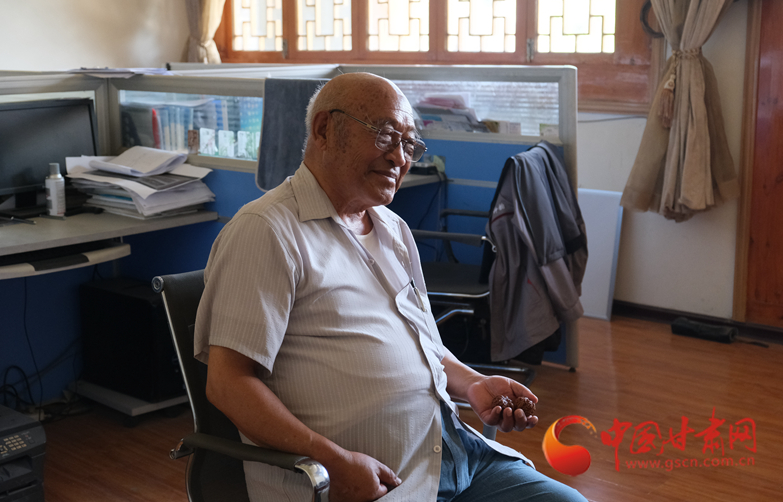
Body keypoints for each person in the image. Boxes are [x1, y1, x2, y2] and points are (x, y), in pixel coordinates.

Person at [194, 73, 586, 502]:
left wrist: (473, 383)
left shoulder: (392, 228)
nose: (400, 157)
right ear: (324, 129)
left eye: (409, 143)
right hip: (374, 483)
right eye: (384, 135)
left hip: (453, 454)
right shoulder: (267, 231)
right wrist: (333, 461)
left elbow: (423, 345)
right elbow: (228, 383)